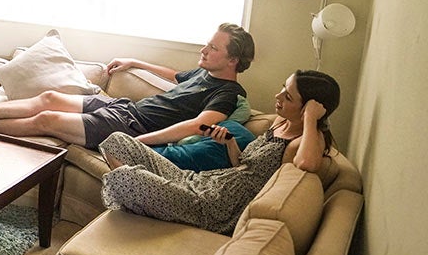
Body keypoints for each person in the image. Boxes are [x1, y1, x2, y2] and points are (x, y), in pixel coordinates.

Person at [0, 23, 255, 150]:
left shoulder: (227, 93)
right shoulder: (205, 74)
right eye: (207, 44)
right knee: (48, 97)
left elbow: (200, 125)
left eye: (213, 49)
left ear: (233, 61)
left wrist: (142, 142)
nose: (204, 50)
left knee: (46, 120)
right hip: (124, 109)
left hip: (130, 127)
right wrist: (136, 62)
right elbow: (174, 75)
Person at [99, 70, 340, 235]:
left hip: (214, 207)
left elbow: (308, 163)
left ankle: (144, 202)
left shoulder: (305, 141)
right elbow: (244, 166)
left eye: (288, 97)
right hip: (201, 182)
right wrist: (229, 144)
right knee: (118, 141)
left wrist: (310, 119)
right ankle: (145, 202)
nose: (277, 97)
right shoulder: (280, 122)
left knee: (126, 178)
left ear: (309, 108)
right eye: (282, 89)